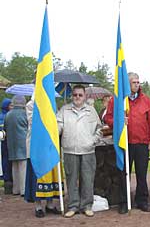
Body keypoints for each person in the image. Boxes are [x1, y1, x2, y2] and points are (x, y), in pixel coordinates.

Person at [104, 72, 150, 214]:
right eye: (134, 82)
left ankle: (142, 201)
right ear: (127, 84)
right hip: (124, 143)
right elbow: (108, 118)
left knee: (141, 174)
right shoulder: (117, 100)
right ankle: (124, 201)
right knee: (123, 173)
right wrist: (119, 122)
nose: (137, 84)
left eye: (138, 82)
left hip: (141, 143)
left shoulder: (146, 100)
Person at [57, 85, 102, 218]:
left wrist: (93, 141)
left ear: (85, 96)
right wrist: (56, 128)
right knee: (71, 179)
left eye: (80, 95)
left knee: (88, 179)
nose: (77, 97)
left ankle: (87, 206)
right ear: (72, 96)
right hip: (70, 150)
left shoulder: (91, 111)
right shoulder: (64, 110)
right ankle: (73, 206)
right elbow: (58, 126)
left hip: (88, 150)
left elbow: (99, 129)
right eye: (75, 95)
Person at [24, 96, 61, 218]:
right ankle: (38, 205)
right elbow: (33, 122)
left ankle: (50, 204)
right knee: (37, 176)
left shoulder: (51, 102)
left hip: (49, 146)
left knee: (50, 174)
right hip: (36, 146)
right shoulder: (30, 105)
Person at [4, 95, 28, 196]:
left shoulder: (8, 114)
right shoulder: (24, 114)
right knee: (23, 166)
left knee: (15, 166)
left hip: (11, 143)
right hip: (22, 143)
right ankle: (23, 190)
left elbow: (5, 127)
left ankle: (16, 189)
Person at [0, 98, 12, 194]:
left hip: (4, 143)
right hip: (6, 143)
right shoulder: (8, 117)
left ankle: (6, 181)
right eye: (10, 105)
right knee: (7, 162)